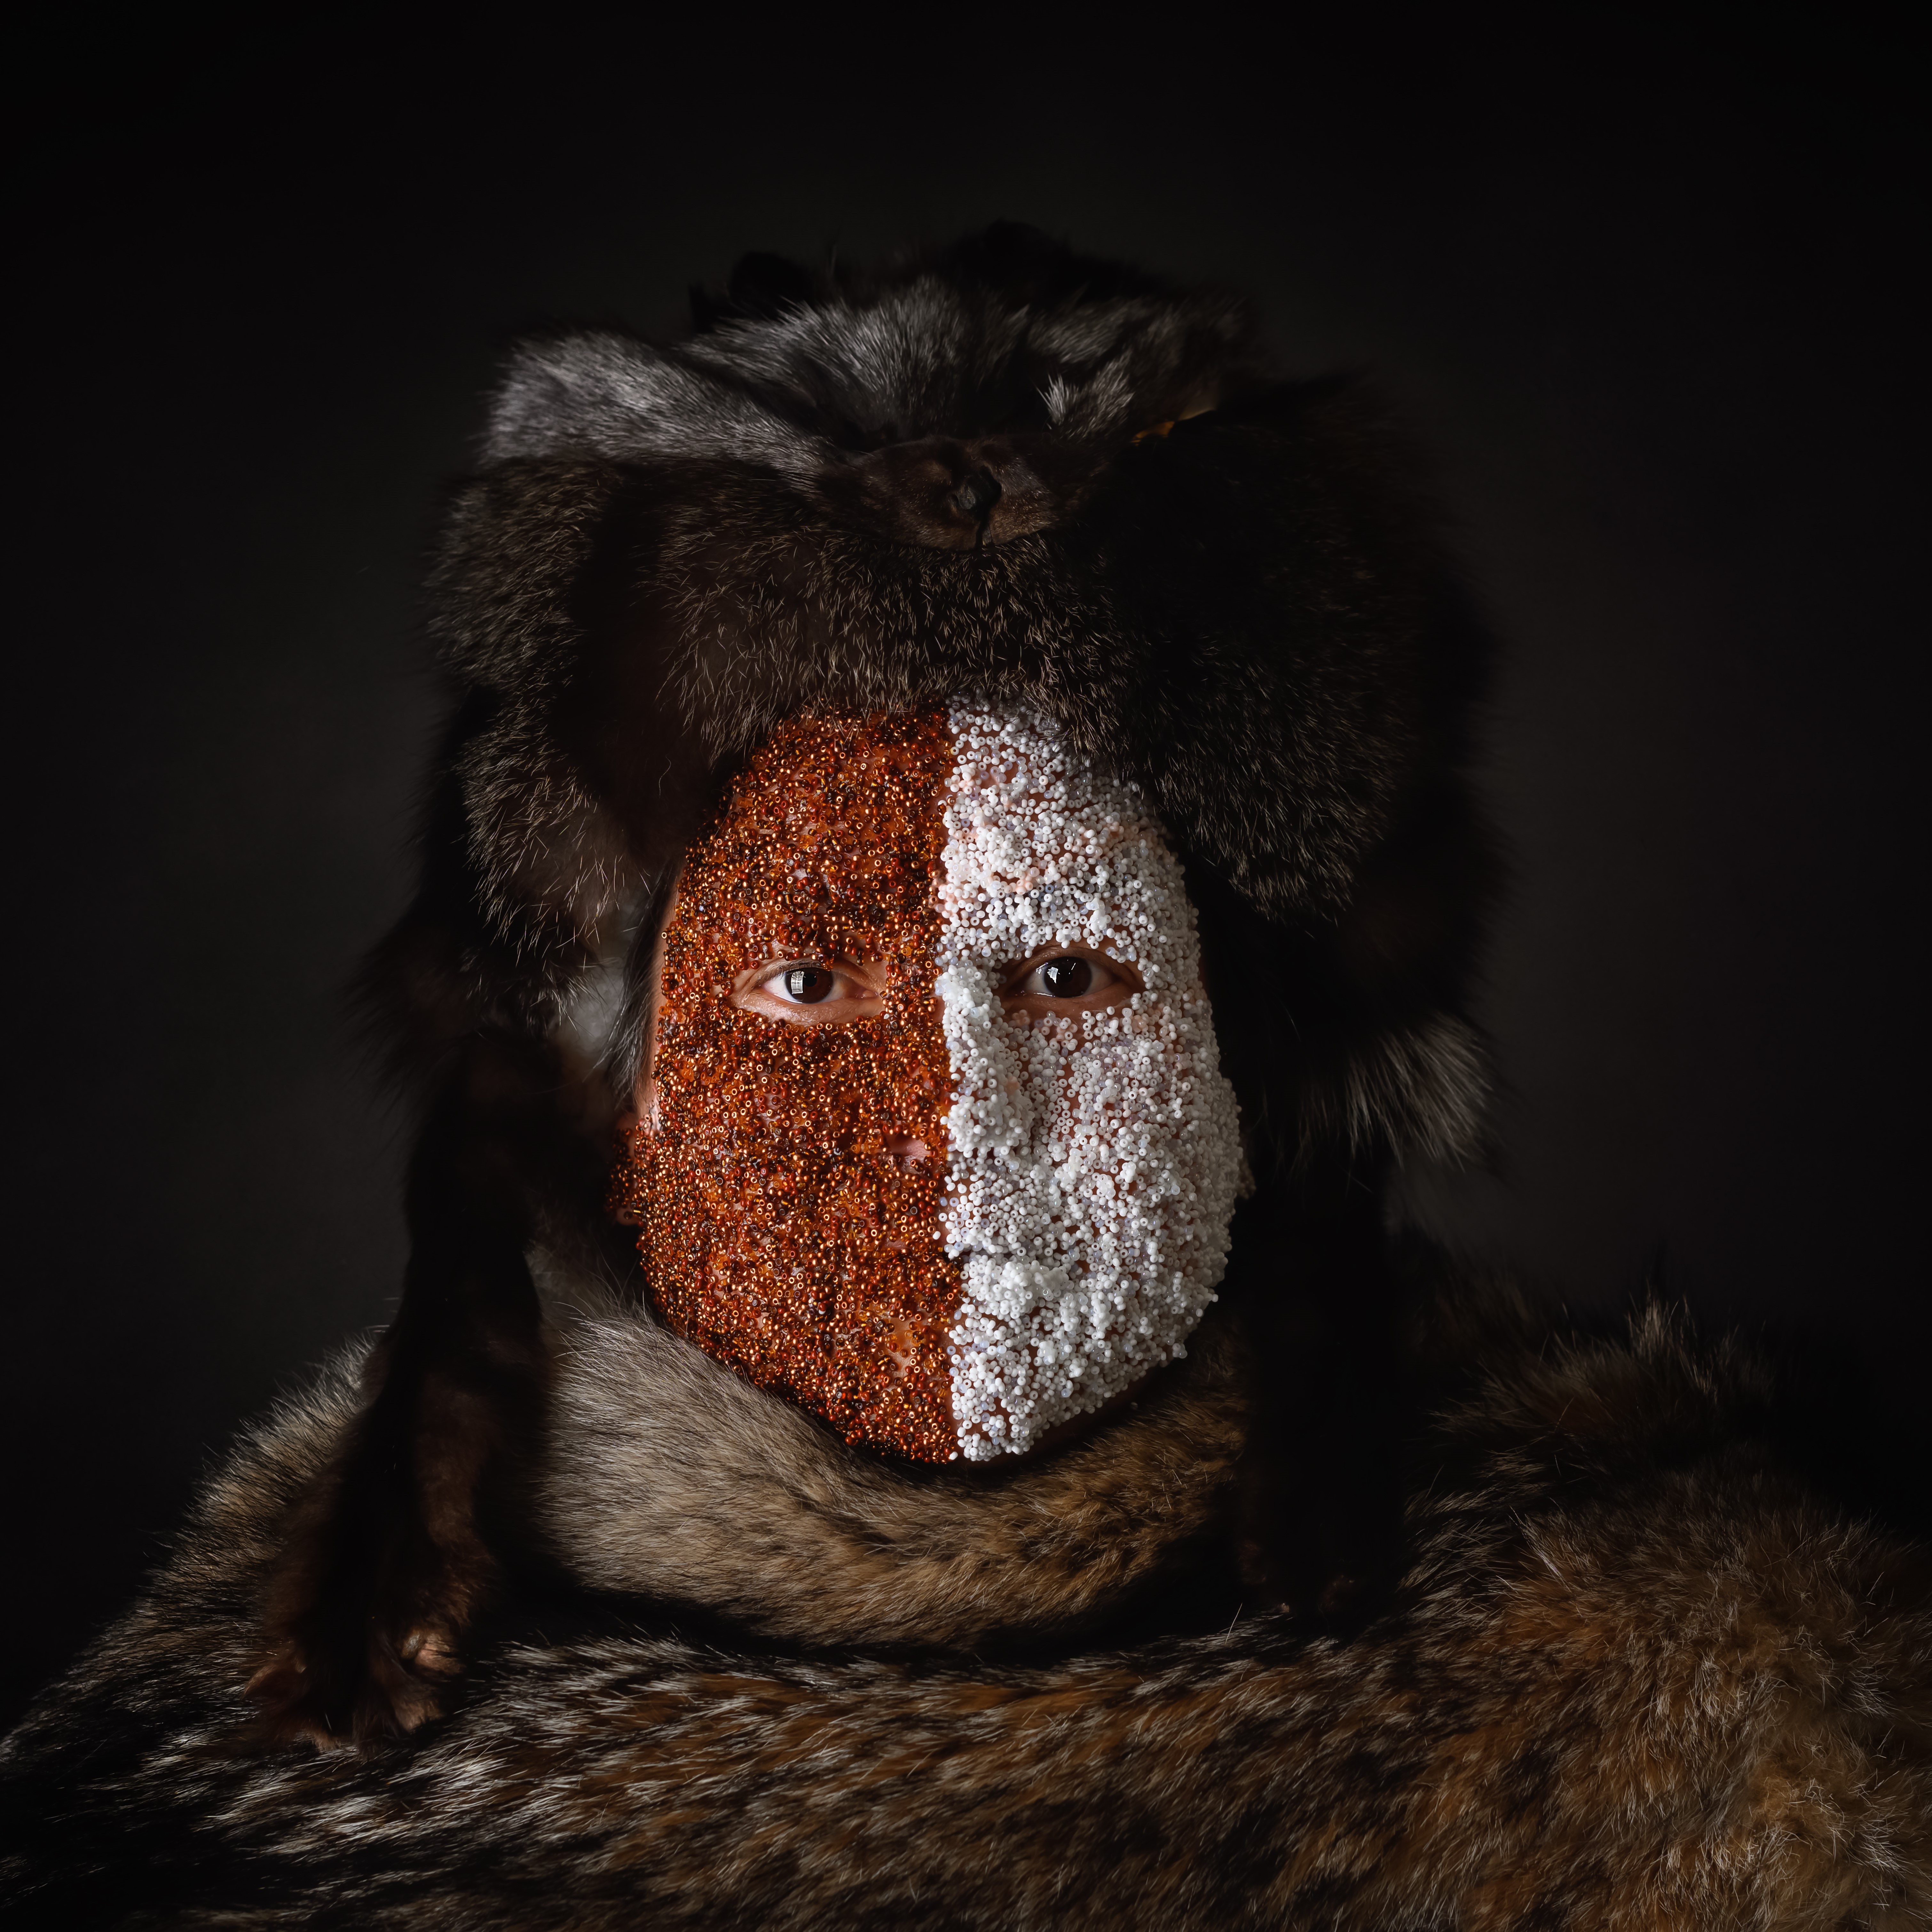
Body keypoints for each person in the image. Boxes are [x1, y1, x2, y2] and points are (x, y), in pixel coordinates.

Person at [4, 227, 1927, 1928]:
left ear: (1254, 1073)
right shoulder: (204, 1794)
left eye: (1075, 975)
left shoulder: (1738, 1693)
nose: (952, 1140)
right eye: (807, 977)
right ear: (630, 1084)